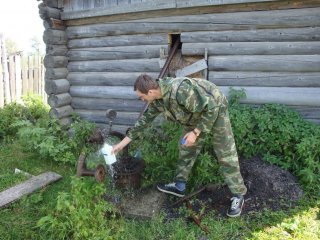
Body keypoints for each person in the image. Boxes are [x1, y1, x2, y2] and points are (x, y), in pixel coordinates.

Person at [112, 74, 247, 217]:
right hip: (195, 116)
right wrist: (120, 145)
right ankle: (179, 186)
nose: (142, 99)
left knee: (225, 152)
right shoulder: (158, 100)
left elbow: (211, 107)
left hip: (215, 109)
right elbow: (143, 122)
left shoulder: (181, 91)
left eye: (141, 96)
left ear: (150, 92)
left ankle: (238, 195)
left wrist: (195, 133)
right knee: (186, 148)